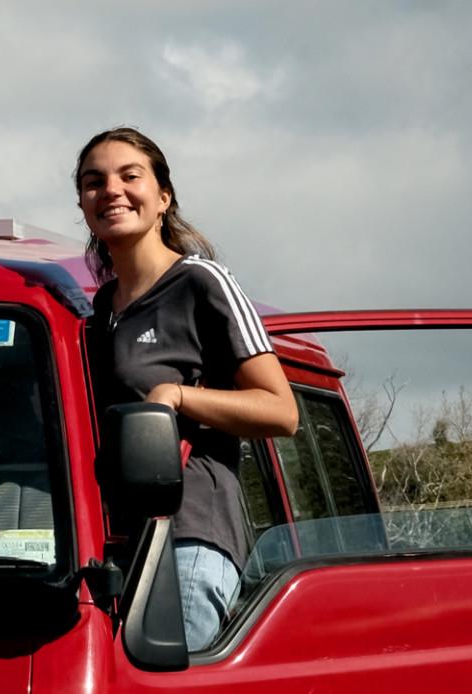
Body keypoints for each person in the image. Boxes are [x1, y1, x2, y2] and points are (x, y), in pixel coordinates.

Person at [75, 126, 298, 651]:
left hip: (191, 537)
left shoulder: (201, 281)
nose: (110, 190)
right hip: (119, 547)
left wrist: (176, 396)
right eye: (93, 182)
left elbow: (283, 411)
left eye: (130, 176)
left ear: (163, 197)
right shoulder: (101, 310)